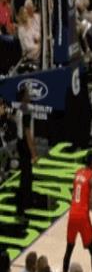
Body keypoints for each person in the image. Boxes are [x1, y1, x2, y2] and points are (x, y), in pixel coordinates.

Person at [62, 151, 92, 272]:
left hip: (72, 213)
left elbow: (75, 195)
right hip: (82, 216)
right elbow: (91, 204)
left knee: (69, 248)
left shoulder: (77, 173)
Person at [15, 87, 37, 220]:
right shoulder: (26, 111)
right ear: (24, 96)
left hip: (20, 143)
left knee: (25, 174)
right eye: (28, 93)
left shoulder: (19, 109)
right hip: (24, 145)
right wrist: (33, 153)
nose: (30, 95)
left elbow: (16, 122)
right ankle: (22, 206)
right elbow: (27, 132)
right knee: (26, 176)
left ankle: (24, 203)